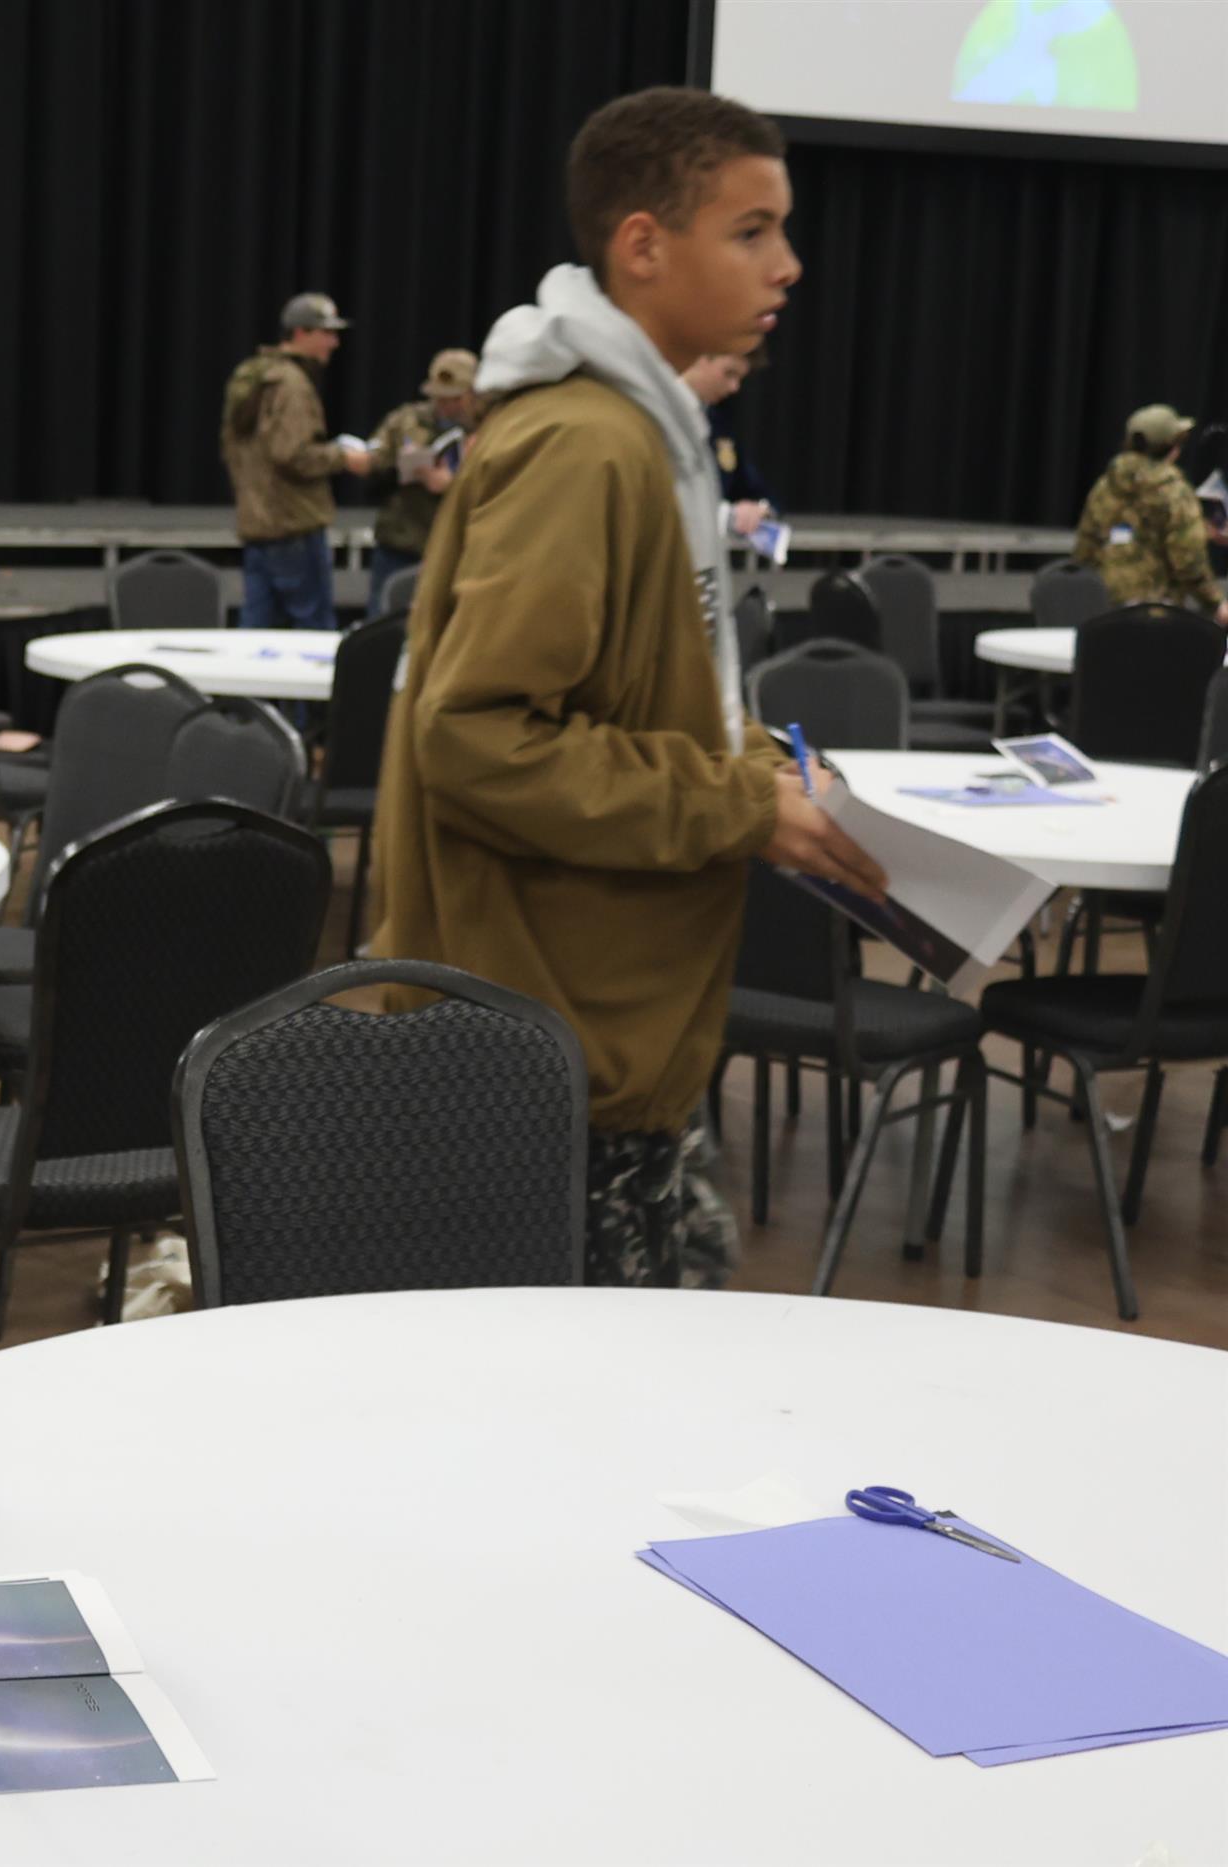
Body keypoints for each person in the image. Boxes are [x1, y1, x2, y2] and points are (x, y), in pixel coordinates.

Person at [370, 86, 886, 1291]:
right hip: (544, 1046)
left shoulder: (644, 432)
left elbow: (646, 700)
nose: (787, 264)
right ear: (643, 246)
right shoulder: (586, 444)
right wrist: (740, 804)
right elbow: (477, 738)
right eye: (751, 230)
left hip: (600, 1031)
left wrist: (758, 767)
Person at [220, 291, 371, 631]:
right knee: (313, 631)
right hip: (294, 526)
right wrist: (344, 457)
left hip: (258, 524)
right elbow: (293, 455)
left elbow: (233, 447)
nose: (334, 343)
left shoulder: (254, 374)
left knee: (256, 632)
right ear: (301, 333)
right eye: (327, 333)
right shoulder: (292, 384)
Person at [1071, 404, 1228, 623]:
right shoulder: (1175, 491)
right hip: (1157, 615)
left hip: (1103, 611)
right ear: (1173, 447)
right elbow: (1188, 561)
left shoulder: (1105, 486)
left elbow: (1085, 549)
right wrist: (1215, 602)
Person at [364, 348, 481, 607]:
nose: (446, 406)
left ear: (474, 392)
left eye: (455, 399)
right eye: (440, 398)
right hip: (402, 541)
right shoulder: (406, 420)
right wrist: (400, 463)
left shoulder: (492, 428)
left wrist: (452, 483)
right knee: (386, 617)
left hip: (458, 549)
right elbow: (372, 462)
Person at [681, 346, 777, 542]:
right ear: (700, 359)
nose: (735, 387)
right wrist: (724, 515)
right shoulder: (653, 412)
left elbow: (752, 487)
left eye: (739, 378)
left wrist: (759, 509)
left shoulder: (718, 423)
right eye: (729, 373)